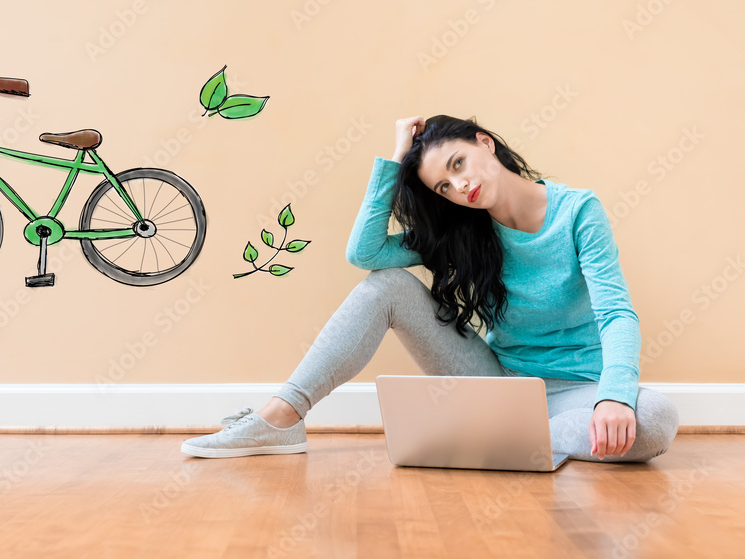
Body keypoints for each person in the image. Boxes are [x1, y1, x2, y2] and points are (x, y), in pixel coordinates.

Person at [181, 115, 679, 462]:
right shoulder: (461, 232)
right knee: (389, 285)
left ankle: (497, 440)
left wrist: (613, 398)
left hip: (579, 392)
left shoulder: (576, 211)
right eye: (443, 186)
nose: (459, 187)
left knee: (653, 417)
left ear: (484, 142)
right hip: (500, 384)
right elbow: (366, 254)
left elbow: (616, 314)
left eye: (457, 164)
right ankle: (280, 418)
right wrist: (396, 160)